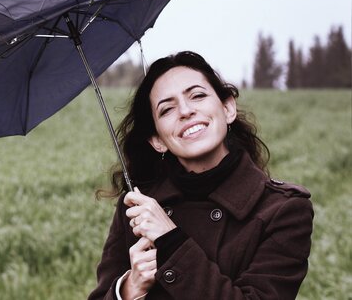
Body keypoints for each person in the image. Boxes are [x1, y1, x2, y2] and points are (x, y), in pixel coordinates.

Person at [87, 51, 313, 300]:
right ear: (157, 140)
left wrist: (171, 242)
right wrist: (129, 289)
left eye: (197, 95)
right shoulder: (139, 207)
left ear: (227, 108)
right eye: (167, 109)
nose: (185, 111)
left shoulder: (283, 210)